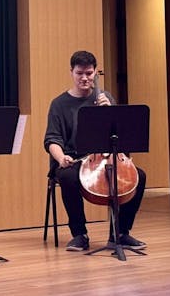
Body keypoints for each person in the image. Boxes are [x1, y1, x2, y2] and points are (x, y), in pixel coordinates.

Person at [43, 50, 147, 252]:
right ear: (71, 72)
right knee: (67, 177)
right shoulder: (59, 104)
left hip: (105, 158)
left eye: (89, 73)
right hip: (74, 159)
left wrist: (109, 112)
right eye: (80, 73)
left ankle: (121, 233)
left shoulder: (105, 97)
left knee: (139, 177)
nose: (84, 78)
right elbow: (52, 139)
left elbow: (119, 134)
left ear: (95, 73)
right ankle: (79, 234)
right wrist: (61, 157)